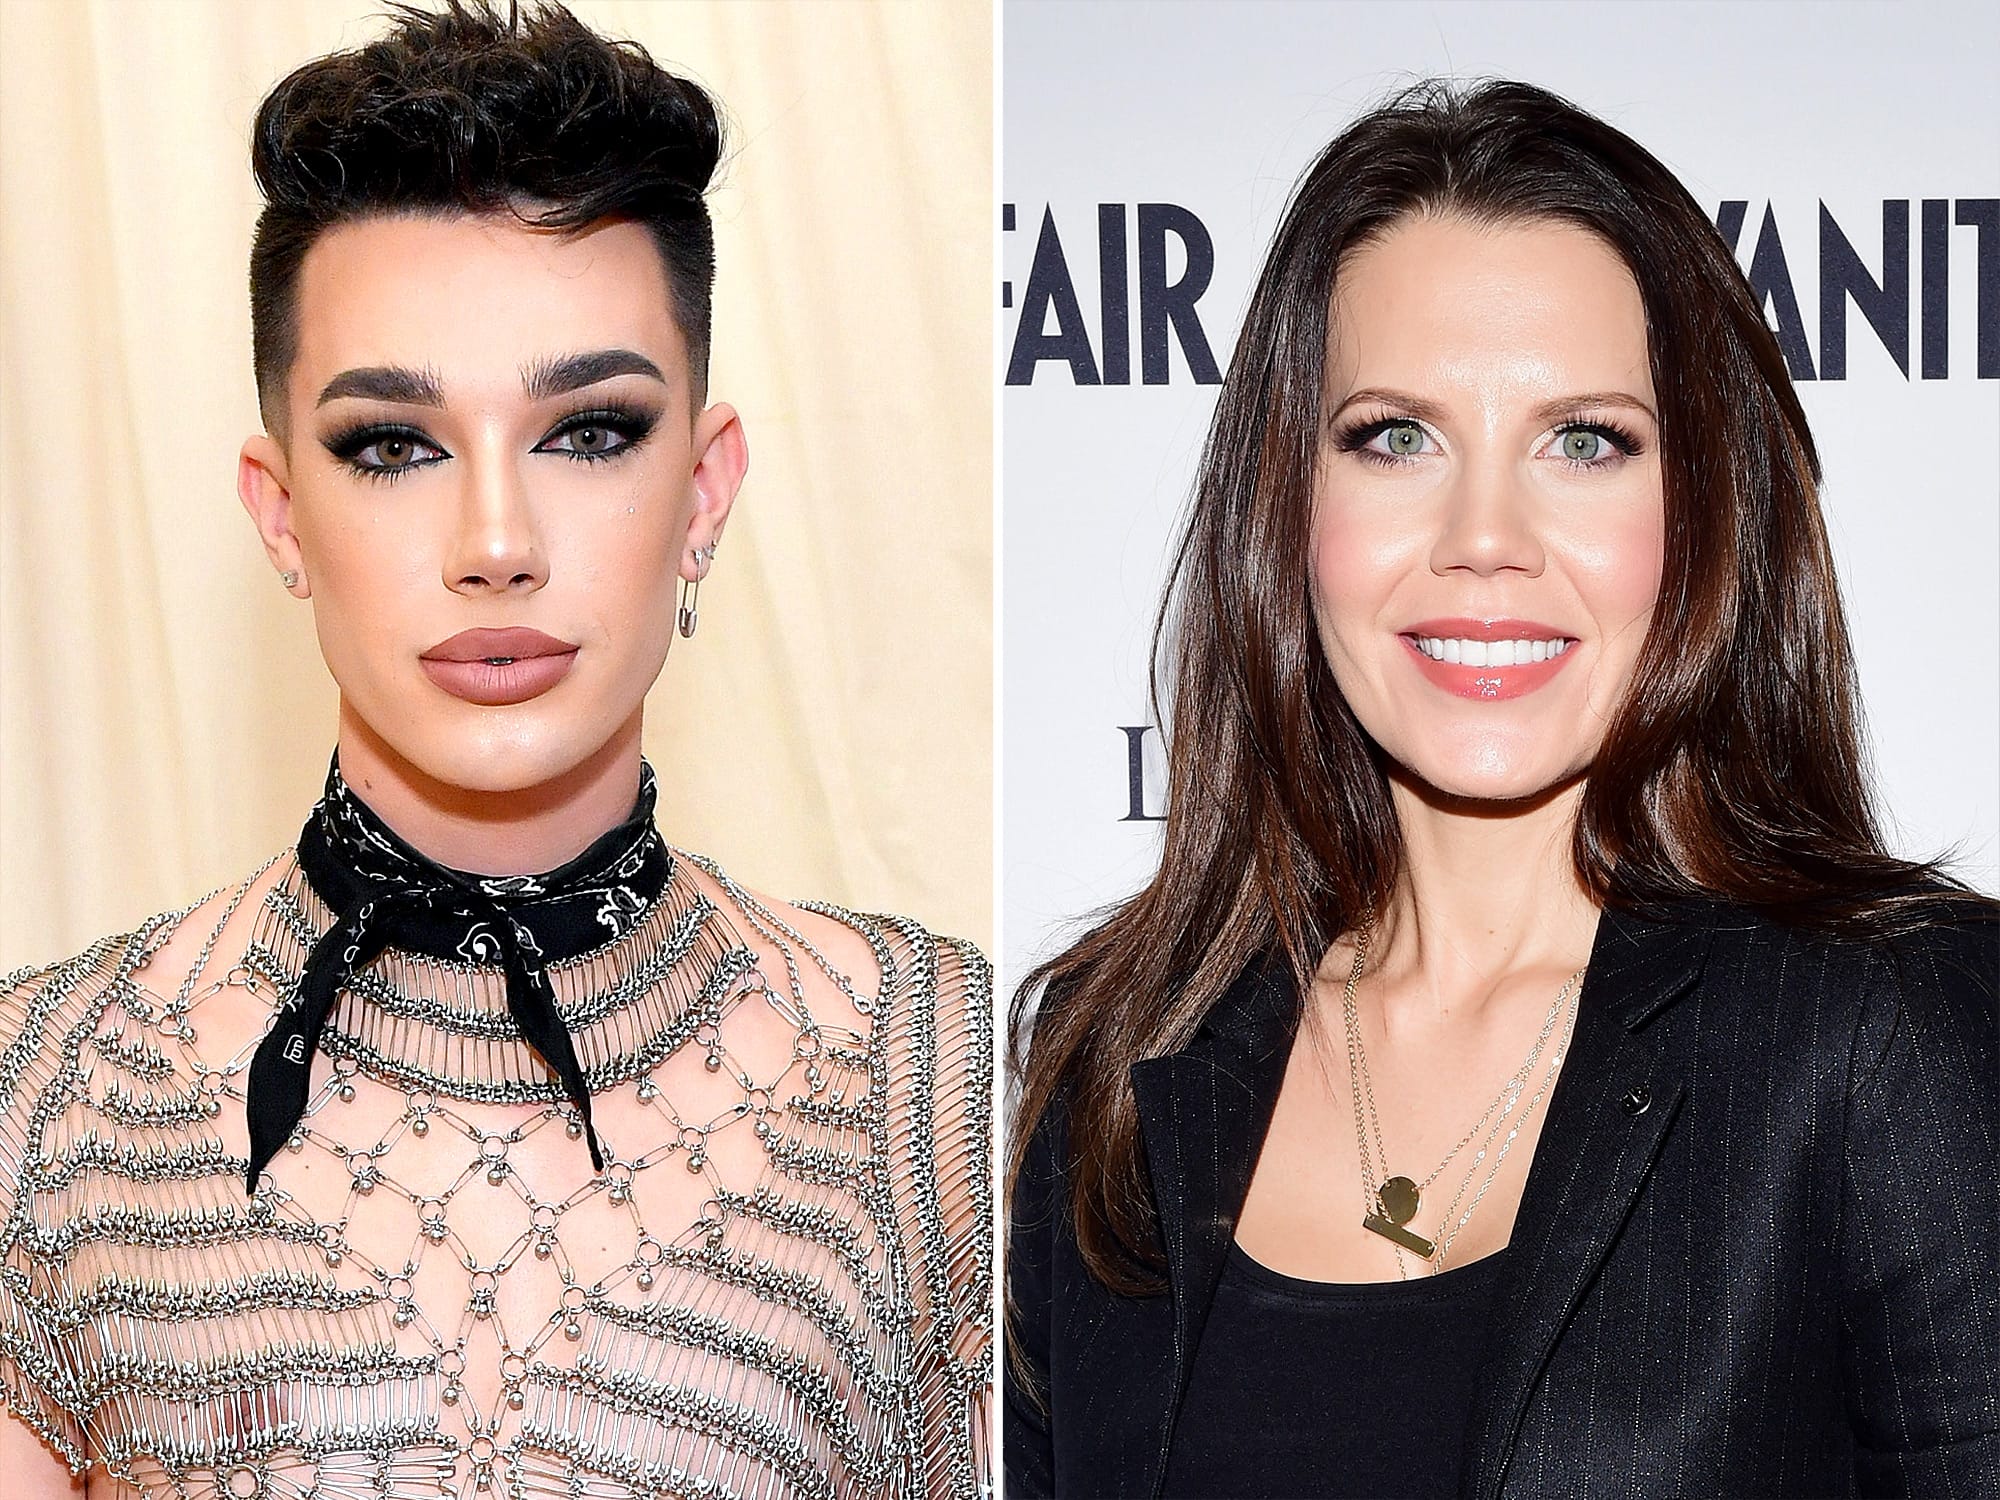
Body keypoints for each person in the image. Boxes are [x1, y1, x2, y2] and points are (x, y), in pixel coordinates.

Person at [0, 4, 991, 1495]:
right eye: (392, 446)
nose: (496, 542)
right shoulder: (41, 1105)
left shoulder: (941, 1082)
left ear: (705, 490)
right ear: (281, 514)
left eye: (588, 432)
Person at [1004, 78, 1998, 1499]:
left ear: (1704, 509)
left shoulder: (1891, 1032)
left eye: (1583, 441)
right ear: (1288, 504)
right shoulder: (1122, 1063)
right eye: (1395, 437)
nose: (1484, 536)